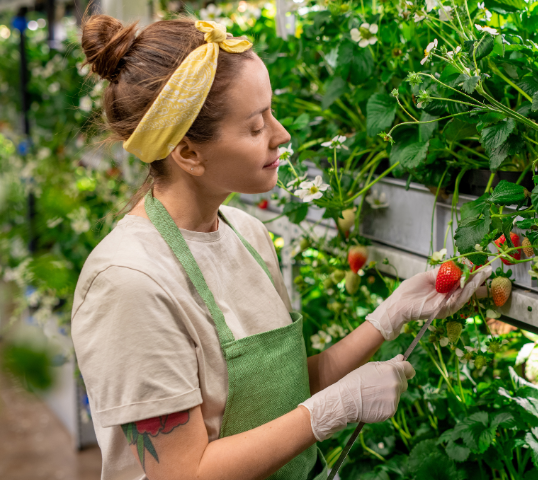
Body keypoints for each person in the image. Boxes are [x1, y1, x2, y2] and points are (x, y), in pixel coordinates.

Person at [70, 15, 491, 480]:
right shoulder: (130, 284)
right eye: (255, 126)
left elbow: (280, 396)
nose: (281, 134)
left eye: (271, 112)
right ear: (188, 153)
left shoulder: (246, 235)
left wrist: (389, 317)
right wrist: (332, 410)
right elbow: (185, 472)